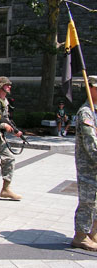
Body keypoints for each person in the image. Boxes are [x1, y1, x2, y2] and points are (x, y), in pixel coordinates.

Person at [71, 75, 97, 252]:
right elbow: (91, 144)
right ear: (91, 89)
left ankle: (93, 232)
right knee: (88, 201)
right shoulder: (86, 113)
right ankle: (80, 236)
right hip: (89, 165)